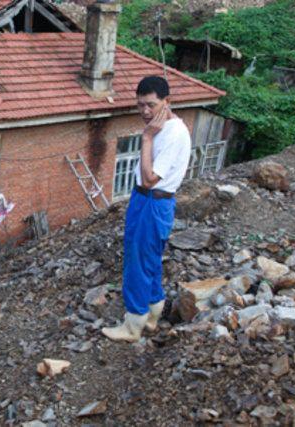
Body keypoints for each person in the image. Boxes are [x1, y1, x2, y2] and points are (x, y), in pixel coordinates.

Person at [102, 76, 192, 342]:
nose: (145, 112)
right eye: (140, 105)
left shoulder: (172, 133)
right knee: (149, 259)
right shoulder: (164, 128)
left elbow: (151, 177)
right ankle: (153, 314)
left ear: (167, 102)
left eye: (151, 105)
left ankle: (133, 325)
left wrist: (147, 138)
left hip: (153, 200)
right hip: (145, 199)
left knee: (136, 262)